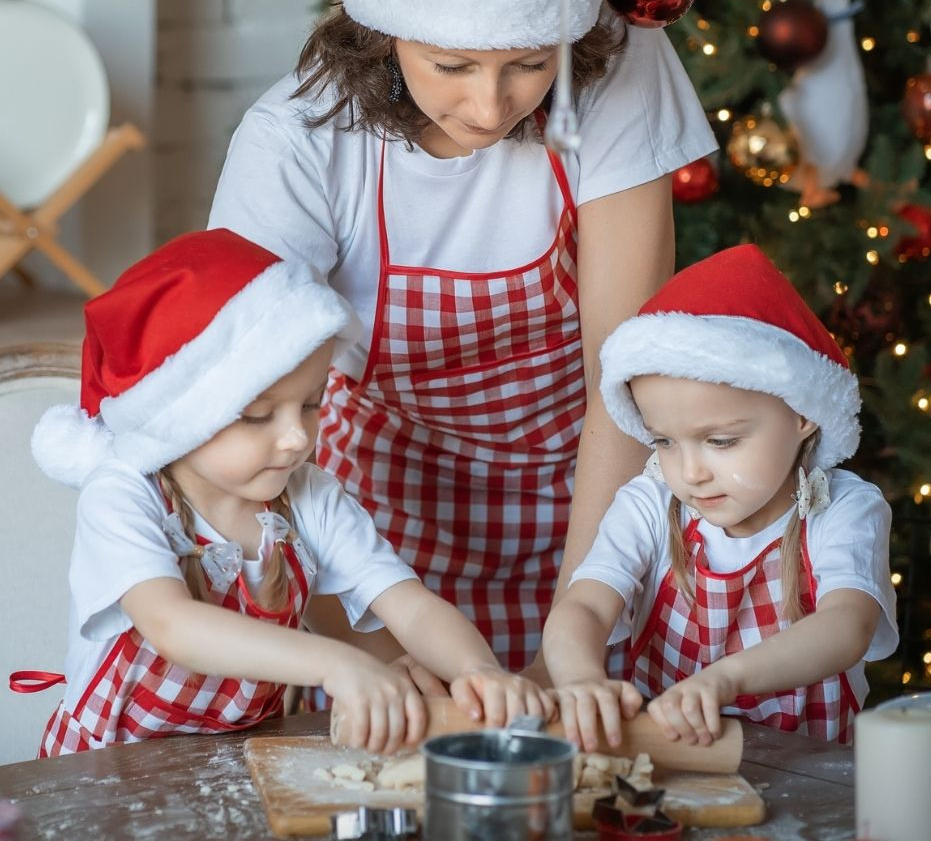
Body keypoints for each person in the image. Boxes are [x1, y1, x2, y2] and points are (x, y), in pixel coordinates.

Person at [208, 0, 718, 674]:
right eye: (451, 65)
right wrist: (373, 657)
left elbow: (625, 372)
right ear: (384, 31)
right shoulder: (293, 141)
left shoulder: (620, 65)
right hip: (373, 529)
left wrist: (575, 631)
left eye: (530, 63)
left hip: (598, 501)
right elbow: (251, 418)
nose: (490, 106)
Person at [16, 229, 550, 757]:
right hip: (105, 774)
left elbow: (409, 605)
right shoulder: (123, 496)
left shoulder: (309, 499)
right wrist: (334, 663)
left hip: (242, 764)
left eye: (312, 404)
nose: (297, 437)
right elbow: (172, 625)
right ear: (179, 419)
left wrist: (477, 671)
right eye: (258, 415)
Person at [542, 244, 898, 748]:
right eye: (664, 442)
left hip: (814, 772)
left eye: (721, 441)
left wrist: (726, 680)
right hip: (676, 768)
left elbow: (847, 624)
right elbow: (585, 607)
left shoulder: (841, 510)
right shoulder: (649, 506)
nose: (690, 474)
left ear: (802, 413)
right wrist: (579, 678)